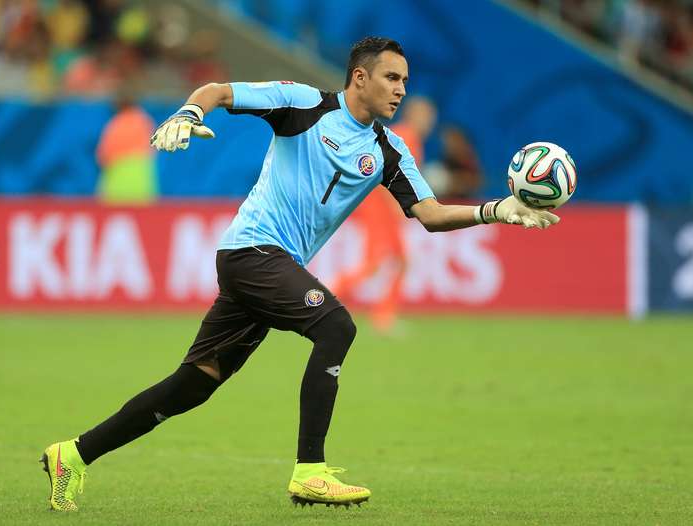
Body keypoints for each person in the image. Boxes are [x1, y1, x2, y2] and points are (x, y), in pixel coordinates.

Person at [40, 36, 559, 512]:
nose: (401, 89)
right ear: (360, 77)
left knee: (194, 385)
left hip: (270, 264)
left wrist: (498, 209)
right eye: (391, 78)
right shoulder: (302, 104)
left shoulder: (388, 150)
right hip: (252, 251)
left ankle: (74, 455)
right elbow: (219, 90)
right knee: (336, 326)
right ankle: (310, 470)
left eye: (404, 81)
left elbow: (430, 214)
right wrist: (189, 110)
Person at [330, 96, 437, 333]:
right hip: (380, 209)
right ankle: (323, 298)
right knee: (376, 264)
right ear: (414, 115)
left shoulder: (407, 137)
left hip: (381, 207)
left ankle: (383, 315)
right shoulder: (404, 137)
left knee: (398, 262)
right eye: (427, 117)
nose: (430, 123)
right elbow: (383, 175)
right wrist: (397, 205)